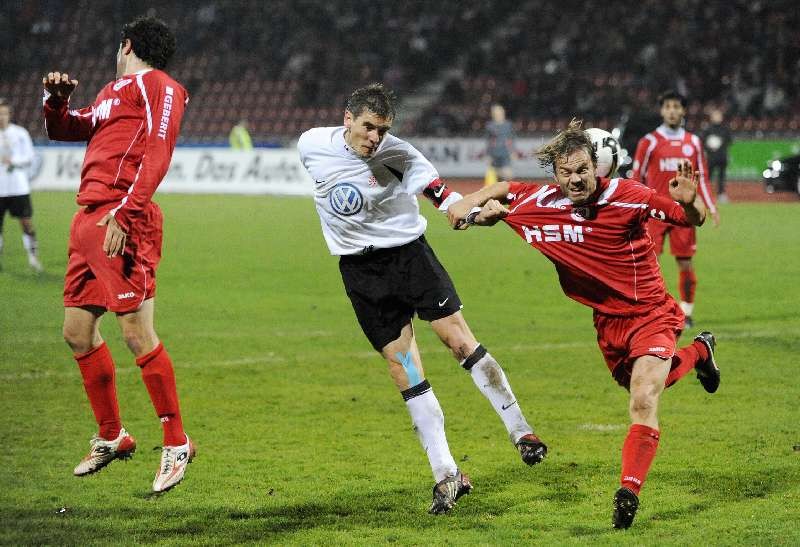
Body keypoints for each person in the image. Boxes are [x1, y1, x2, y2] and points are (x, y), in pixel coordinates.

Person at [447, 120, 721, 529]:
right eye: (566, 173)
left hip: (650, 313)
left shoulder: (629, 196)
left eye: (582, 170)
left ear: (597, 166)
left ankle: (628, 492)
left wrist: (692, 203)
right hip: (607, 323)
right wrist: (472, 204)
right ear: (556, 176)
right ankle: (699, 352)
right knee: (642, 386)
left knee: (643, 400)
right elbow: (505, 190)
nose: (575, 179)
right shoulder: (543, 201)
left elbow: (688, 218)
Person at [297, 83, 546, 515]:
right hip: (361, 274)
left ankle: (521, 430)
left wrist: (470, 213)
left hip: (410, 260)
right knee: (406, 370)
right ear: (348, 120)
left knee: (459, 341)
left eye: (383, 129)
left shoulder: (400, 155)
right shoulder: (312, 145)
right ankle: (447, 473)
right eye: (368, 127)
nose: (375, 137)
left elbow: (442, 197)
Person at [42, 15, 194, 493]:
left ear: (126, 45)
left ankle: (176, 442)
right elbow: (68, 128)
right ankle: (112, 435)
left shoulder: (159, 85)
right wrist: (56, 102)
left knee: (136, 333)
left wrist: (126, 215)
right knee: (77, 332)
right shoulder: (113, 93)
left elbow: (159, 151)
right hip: (88, 219)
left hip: (120, 219)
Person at [632, 90, 719, 328]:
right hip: (655, 213)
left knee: (686, 263)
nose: (672, 111)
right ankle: (650, 311)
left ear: (683, 111)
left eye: (676, 106)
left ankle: (686, 313)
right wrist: (635, 209)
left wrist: (711, 206)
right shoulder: (649, 142)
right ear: (662, 111)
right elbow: (637, 177)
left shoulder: (693, 142)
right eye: (667, 106)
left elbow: (703, 177)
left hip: (684, 213)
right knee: (648, 264)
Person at [0, 98, 43, 273]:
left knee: (26, 223)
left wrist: (14, 161)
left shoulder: (20, 133)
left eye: (4, 113)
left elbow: (30, 156)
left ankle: (33, 258)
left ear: (9, 114)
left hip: (18, 187)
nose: (2, 117)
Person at [701, 108, 732, 203]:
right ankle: (706, 194)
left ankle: (721, 194)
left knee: (721, 176)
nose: (717, 117)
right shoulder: (708, 129)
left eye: (718, 116)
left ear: (721, 117)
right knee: (708, 176)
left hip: (722, 156)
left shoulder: (725, 129)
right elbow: (702, 141)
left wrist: (720, 144)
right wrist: (709, 147)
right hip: (711, 157)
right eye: (715, 116)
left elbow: (729, 141)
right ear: (711, 117)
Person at [484, 103, 515, 187]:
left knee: (508, 174)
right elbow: (488, 141)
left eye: (499, 112)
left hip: (505, 153)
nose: (497, 114)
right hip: (494, 154)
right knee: (495, 176)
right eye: (495, 112)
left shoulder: (508, 125)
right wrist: (488, 155)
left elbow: (512, 139)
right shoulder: (489, 126)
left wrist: (513, 151)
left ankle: (507, 190)